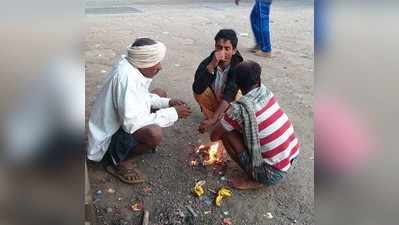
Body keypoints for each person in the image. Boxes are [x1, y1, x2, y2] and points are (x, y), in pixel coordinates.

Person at [87, 38, 191, 184]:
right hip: (109, 138)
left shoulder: (131, 65)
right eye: (156, 62)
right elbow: (131, 124)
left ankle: (134, 147)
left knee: (160, 93)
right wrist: (173, 113)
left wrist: (167, 103)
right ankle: (119, 162)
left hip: (122, 121)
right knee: (154, 133)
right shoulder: (127, 78)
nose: (160, 67)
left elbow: (141, 98)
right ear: (143, 62)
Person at [210, 60, 299, 189]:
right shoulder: (265, 92)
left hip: (272, 173)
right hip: (291, 156)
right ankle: (260, 169)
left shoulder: (239, 110)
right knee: (242, 128)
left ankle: (255, 179)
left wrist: (220, 120)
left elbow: (214, 136)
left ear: (237, 85)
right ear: (258, 79)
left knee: (227, 134)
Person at [192, 29, 243, 132]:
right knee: (200, 92)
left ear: (234, 50)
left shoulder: (239, 66)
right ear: (215, 47)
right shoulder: (208, 62)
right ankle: (214, 120)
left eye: (227, 48)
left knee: (239, 95)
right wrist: (211, 66)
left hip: (230, 103)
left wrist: (214, 118)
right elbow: (197, 88)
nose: (222, 52)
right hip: (215, 101)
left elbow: (230, 93)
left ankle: (223, 120)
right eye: (219, 48)